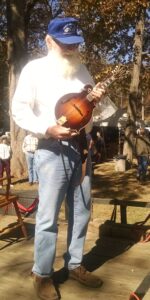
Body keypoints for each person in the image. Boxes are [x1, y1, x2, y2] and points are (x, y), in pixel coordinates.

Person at [12, 17, 106, 300]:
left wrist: (97, 100)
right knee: (48, 216)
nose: (71, 49)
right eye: (65, 44)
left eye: (75, 44)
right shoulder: (34, 70)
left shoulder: (82, 70)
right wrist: (47, 129)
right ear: (49, 41)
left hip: (82, 149)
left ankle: (75, 264)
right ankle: (41, 273)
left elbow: (92, 115)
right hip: (50, 149)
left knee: (81, 211)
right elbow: (18, 110)